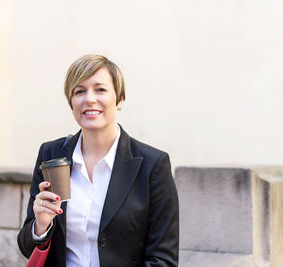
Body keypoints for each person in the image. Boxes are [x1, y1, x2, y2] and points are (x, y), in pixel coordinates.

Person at [17, 54, 179, 267]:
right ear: (71, 101)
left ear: (119, 99)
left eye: (100, 89)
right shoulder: (51, 155)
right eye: (79, 91)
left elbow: (163, 260)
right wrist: (40, 225)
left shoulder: (152, 165)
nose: (89, 99)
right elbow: (27, 247)